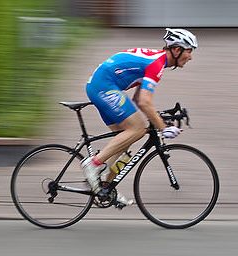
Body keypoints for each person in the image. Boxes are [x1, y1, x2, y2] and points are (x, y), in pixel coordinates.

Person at [82, 28, 198, 206]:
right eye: (189, 51)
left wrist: (158, 118)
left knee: (125, 140)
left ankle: (105, 188)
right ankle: (94, 164)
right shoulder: (157, 65)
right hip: (104, 86)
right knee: (137, 128)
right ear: (176, 50)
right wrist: (163, 127)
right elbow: (144, 102)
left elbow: (138, 98)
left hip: (101, 85)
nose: (190, 57)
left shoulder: (157, 60)